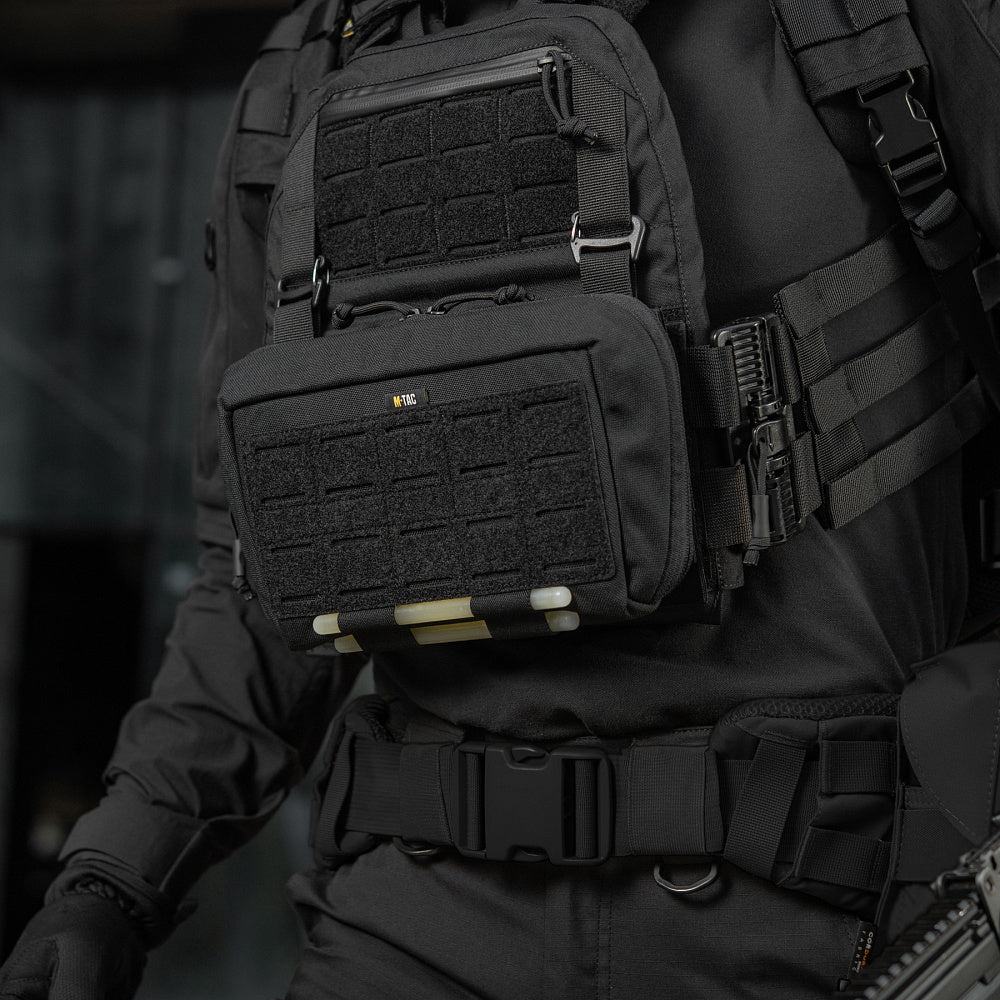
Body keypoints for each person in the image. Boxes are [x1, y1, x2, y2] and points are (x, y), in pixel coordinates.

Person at [2, 0, 1000, 998]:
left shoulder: (861, 22)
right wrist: (115, 872)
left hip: (830, 906)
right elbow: (259, 565)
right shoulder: (311, 67)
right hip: (411, 925)